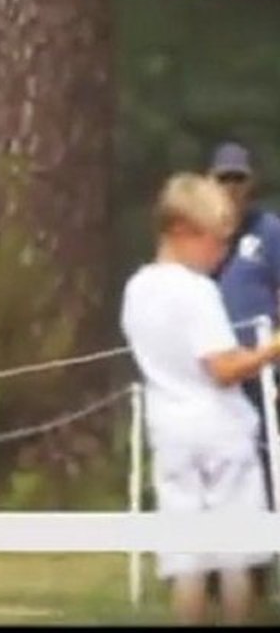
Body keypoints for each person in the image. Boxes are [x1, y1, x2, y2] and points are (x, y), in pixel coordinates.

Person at [120, 172, 278, 625]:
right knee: (234, 556)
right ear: (183, 232)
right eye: (216, 242)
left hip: (169, 428)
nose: (222, 253)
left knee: (187, 558)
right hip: (219, 432)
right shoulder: (197, 291)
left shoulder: (137, 289)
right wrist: (271, 348)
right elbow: (223, 368)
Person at [207, 141, 280, 600]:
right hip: (210, 374)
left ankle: (258, 565)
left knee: (262, 465)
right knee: (214, 467)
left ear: (249, 183)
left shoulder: (268, 232)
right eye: (223, 179)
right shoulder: (201, 236)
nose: (231, 188)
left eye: (238, 179)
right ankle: (211, 566)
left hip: (259, 373)